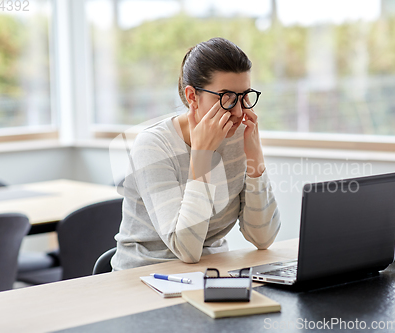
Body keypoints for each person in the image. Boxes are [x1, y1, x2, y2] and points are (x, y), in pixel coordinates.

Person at [111, 37, 281, 270]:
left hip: (212, 270)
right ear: (192, 96)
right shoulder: (153, 146)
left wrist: (255, 160)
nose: (239, 111)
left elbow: (263, 238)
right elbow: (186, 249)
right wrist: (202, 155)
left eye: (244, 96)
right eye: (227, 98)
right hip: (145, 274)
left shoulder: (238, 137)